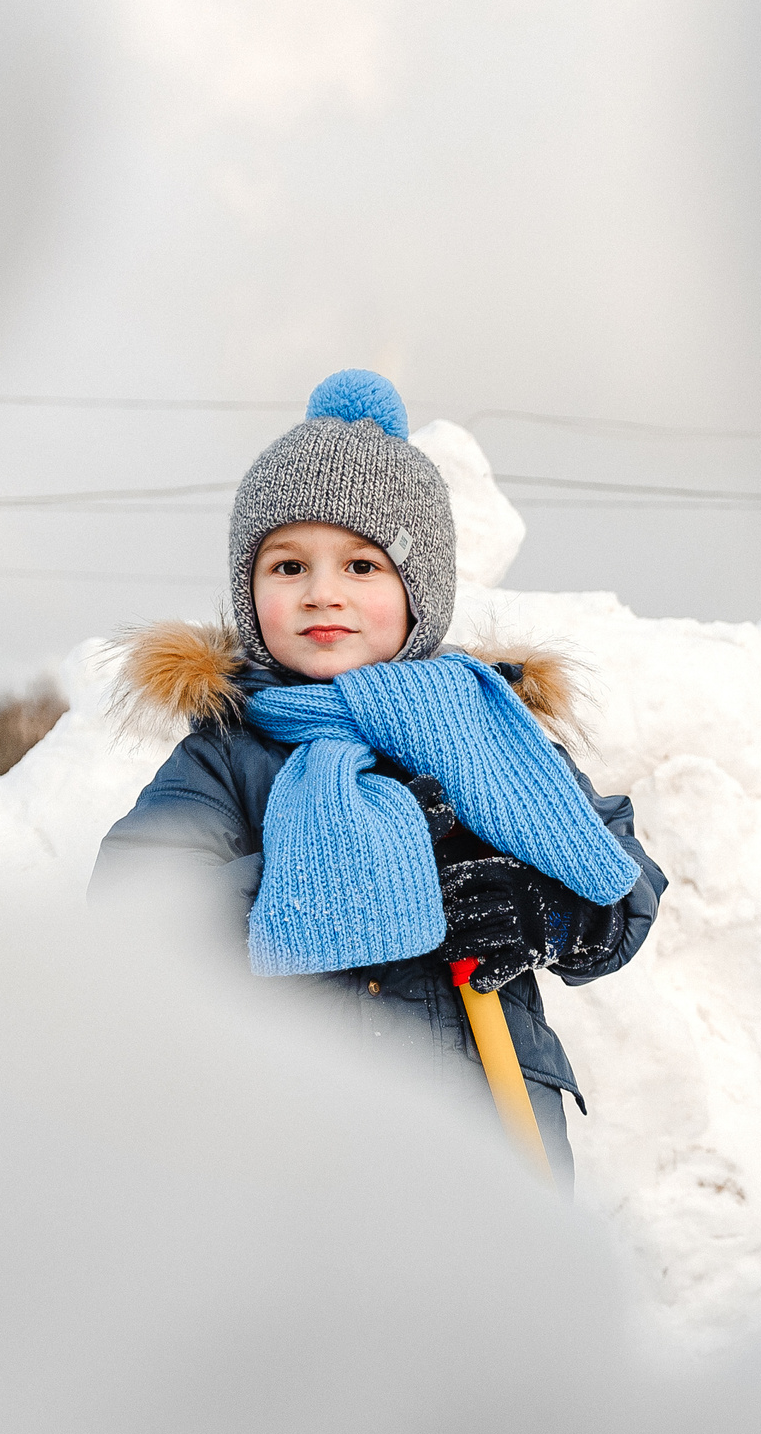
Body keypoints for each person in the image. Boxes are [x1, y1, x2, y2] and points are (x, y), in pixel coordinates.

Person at [90, 369, 666, 1193]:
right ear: (251, 593)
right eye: (288, 567)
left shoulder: (486, 735)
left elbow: (620, 882)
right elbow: (140, 913)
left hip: (488, 1140)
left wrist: (533, 907)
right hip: (299, 1142)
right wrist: (348, 875)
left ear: (417, 591)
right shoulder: (230, 751)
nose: (323, 592)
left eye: (362, 565)